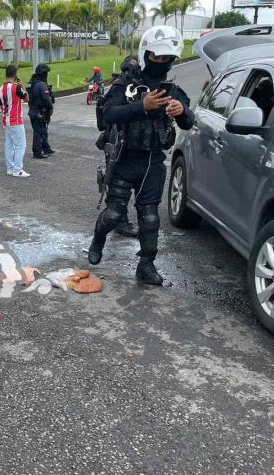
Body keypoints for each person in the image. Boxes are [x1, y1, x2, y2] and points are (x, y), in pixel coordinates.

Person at [88, 25, 195, 286]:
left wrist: (181, 111)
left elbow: (188, 122)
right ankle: (98, 239)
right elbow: (106, 116)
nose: (161, 63)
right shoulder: (126, 84)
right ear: (146, 54)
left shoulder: (172, 89)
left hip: (153, 162)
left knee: (150, 218)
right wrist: (141, 106)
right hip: (124, 160)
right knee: (113, 214)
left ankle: (146, 266)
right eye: (157, 57)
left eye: (167, 59)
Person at [0, 65, 30, 178]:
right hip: (15, 120)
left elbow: (1, 106)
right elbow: (27, 98)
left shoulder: (1, 88)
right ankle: (18, 169)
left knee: (9, 144)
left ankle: (10, 168)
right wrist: (23, 85)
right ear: (15, 74)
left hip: (6, 119)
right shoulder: (16, 87)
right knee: (20, 145)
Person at [28, 64, 54, 159]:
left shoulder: (35, 82)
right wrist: (51, 107)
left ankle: (46, 148)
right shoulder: (41, 85)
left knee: (43, 131)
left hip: (35, 111)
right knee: (39, 132)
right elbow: (46, 99)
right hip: (38, 112)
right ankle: (37, 152)